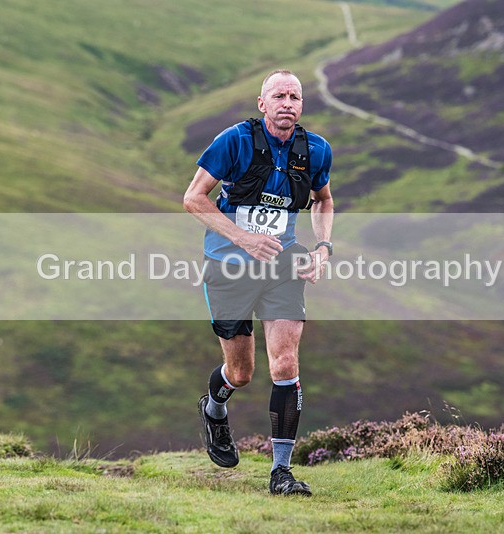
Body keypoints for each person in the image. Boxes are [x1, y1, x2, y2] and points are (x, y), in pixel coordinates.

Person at [183, 69, 334, 496]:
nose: (287, 102)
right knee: (243, 371)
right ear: (262, 103)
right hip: (228, 265)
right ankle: (214, 409)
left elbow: (323, 200)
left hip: (283, 265)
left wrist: (322, 249)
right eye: (278, 96)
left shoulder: (315, 150)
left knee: (284, 363)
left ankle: (281, 473)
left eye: (294, 96)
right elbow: (193, 198)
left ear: (301, 105)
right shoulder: (235, 141)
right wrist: (243, 238)